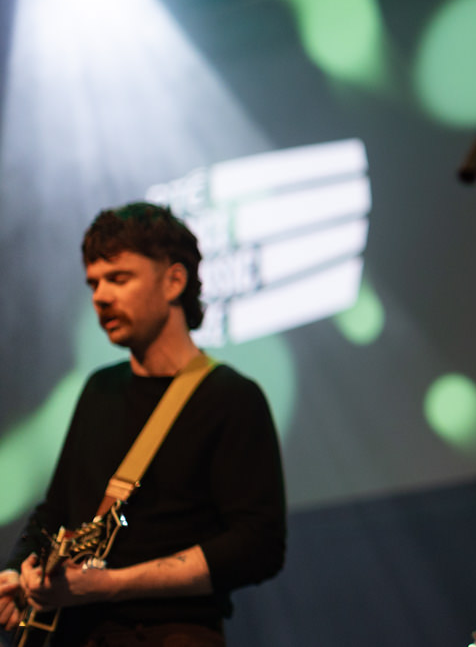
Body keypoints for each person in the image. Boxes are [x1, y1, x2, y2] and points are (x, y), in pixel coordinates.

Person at [0, 203, 286, 647]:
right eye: (93, 282)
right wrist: (19, 571)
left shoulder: (231, 398)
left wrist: (112, 584)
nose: (100, 296)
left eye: (119, 278)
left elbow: (258, 545)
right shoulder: (99, 390)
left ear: (174, 280)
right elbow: (55, 513)